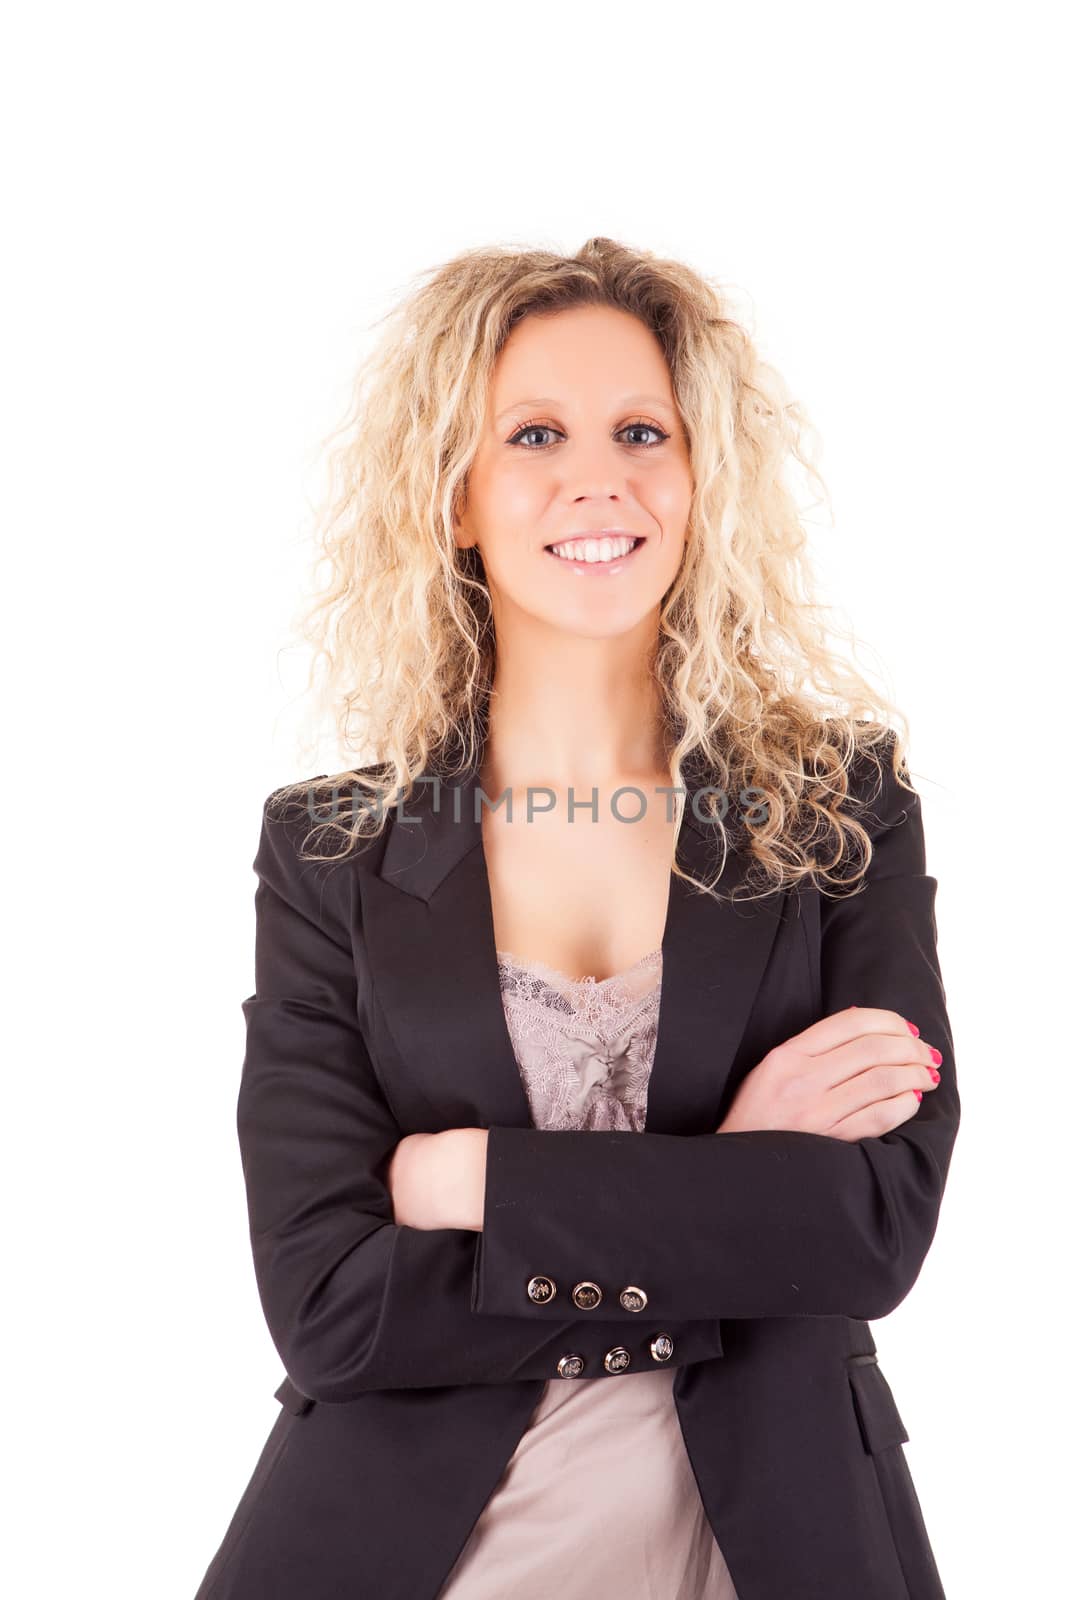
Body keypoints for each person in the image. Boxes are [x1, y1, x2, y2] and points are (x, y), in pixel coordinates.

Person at [193, 237, 959, 1599]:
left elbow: (868, 1231)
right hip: (406, 1555)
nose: (598, 476)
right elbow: (328, 1308)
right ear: (456, 497)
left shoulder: (843, 808)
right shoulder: (329, 850)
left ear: (700, 479)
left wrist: (470, 1184)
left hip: (780, 1545)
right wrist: (738, 1171)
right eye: (535, 433)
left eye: (643, 431)